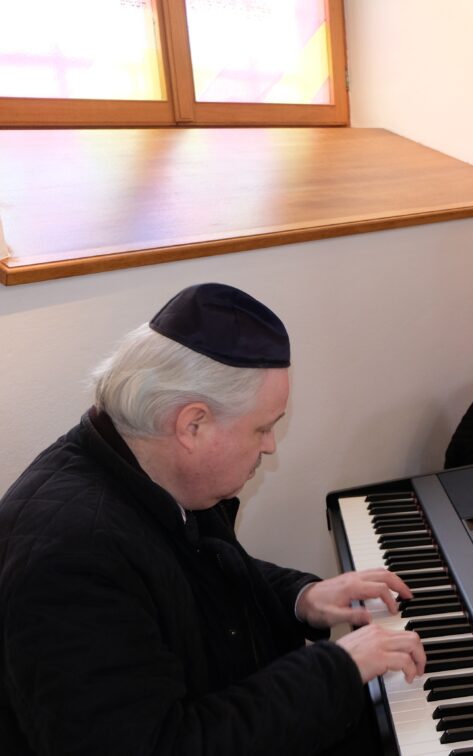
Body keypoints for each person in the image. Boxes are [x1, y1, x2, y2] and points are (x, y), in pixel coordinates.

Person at [0, 283, 426, 755]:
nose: (270, 446)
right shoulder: (72, 564)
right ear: (192, 425)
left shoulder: (134, 464)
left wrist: (298, 598)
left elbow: (195, 575)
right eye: (263, 428)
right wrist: (336, 667)